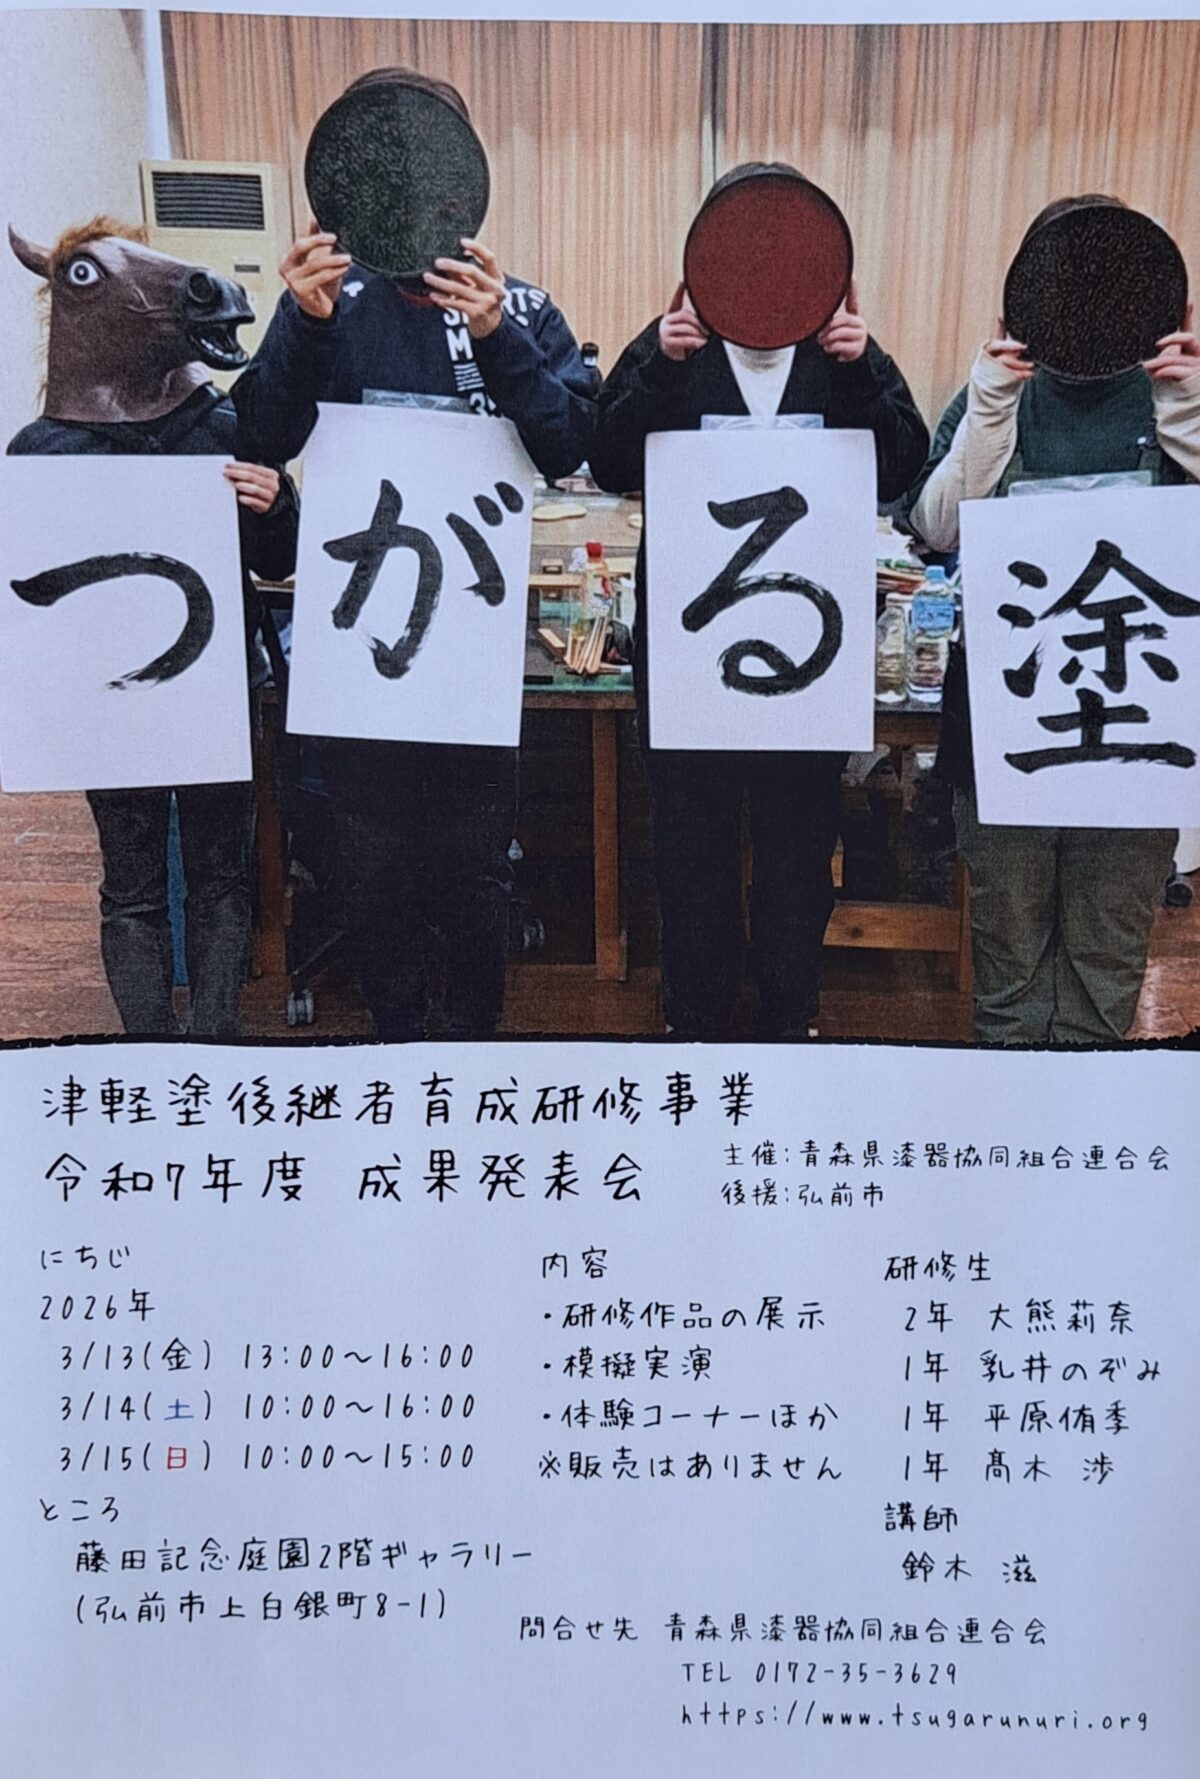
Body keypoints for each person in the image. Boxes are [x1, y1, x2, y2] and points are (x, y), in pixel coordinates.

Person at [235, 67, 596, 1041]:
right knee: (371, 872)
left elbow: (572, 444)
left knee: (478, 876)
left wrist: (496, 337)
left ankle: (473, 1042)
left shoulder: (518, 307)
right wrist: (304, 325)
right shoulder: (331, 299)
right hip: (360, 657)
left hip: (470, 655)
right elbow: (260, 431)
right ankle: (395, 1040)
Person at [587, 164, 929, 1040]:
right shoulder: (675, 343)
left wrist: (861, 369)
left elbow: (904, 468)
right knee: (688, 848)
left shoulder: (841, 352)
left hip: (806, 661)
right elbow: (608, 459)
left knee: (798, 853)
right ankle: (694, 1013)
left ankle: (789, 1011)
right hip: (692, 657)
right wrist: (660, 368)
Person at [900, 194, 1200, 1043]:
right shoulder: (996, 393)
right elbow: (936, 526)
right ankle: (1015, 1114)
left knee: (1106, 966)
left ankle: (1085, 1115)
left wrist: (1185, 408)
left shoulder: (1172, 397)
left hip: (1136, 738)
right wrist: (991, 402)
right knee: (1009, 970)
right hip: (1007, 732)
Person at [7, 217, 298, 1039]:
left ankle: (210, 1040)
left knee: (209, 878)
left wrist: (276, 503)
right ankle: (154, 1053)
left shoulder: (221, 428)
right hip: (114, 706)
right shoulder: (40, 456)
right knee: (139, 884)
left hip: (212, 690)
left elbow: (276, 557)